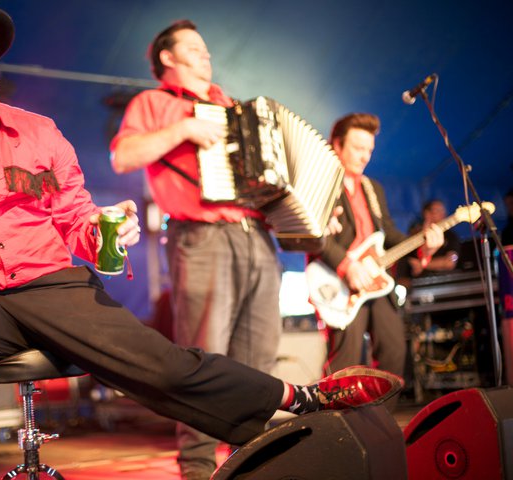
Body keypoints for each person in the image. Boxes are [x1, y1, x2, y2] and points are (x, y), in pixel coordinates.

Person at [0, 1, 402, 466]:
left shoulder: (40, 133)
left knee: (163, 365)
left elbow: (77, 220)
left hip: (50, 288)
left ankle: (303, 398)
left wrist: (105, 232)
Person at [110, 20, 282, 479]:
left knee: (261, 360)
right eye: (194, 48)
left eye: (206, 48)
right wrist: (184, 128)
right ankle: (198, 468)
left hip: (256, 235)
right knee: (205, 358)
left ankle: (253, 464)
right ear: (167, 57)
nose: (206, 54)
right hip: (201, 235)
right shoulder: (153, 103)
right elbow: (123, 156)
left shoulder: (230, 105)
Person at [314, 113, 443, 384]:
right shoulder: (319, 184)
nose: (365, 156)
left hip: (376, 280)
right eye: (358, 148)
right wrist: (347, 265)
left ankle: (378, 411)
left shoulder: (373, 188)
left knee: (395, 353)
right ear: (337, 145)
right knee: (345, 364)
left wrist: (424, 245)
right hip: (339, 281)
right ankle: (337, 414)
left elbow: (389, 234)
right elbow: (314, 235)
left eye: (369, 150)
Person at [397, 199, 460, 287]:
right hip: (414, 286)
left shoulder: (450, 236)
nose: (442, 214)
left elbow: (450, 262)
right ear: (427, 214)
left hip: (442, 284)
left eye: (443, 211)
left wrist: (422, 265)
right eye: (437, 211)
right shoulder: (414, 235)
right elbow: (405, 263)